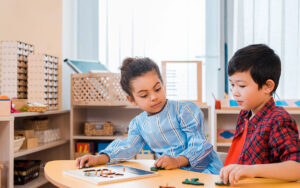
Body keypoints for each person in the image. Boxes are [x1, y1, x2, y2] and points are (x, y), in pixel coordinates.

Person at [76, 57, 222, 174]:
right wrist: (99, 158)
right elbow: (128, 146)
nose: (153, 97)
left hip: (204, 172)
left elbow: (199, 144)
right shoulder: (138, 123)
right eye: (144, 95)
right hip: (172, 174)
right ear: (132, 100)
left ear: (163, 84)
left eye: (157, 89)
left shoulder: (184, 110)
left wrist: (177, 161)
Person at [220, 44, 300, 184]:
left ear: (267, 86)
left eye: (242, 85)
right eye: (232, 85)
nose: (235, 92)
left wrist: (251, 170)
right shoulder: (245, 113)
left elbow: (296, 167)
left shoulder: (278, 119)